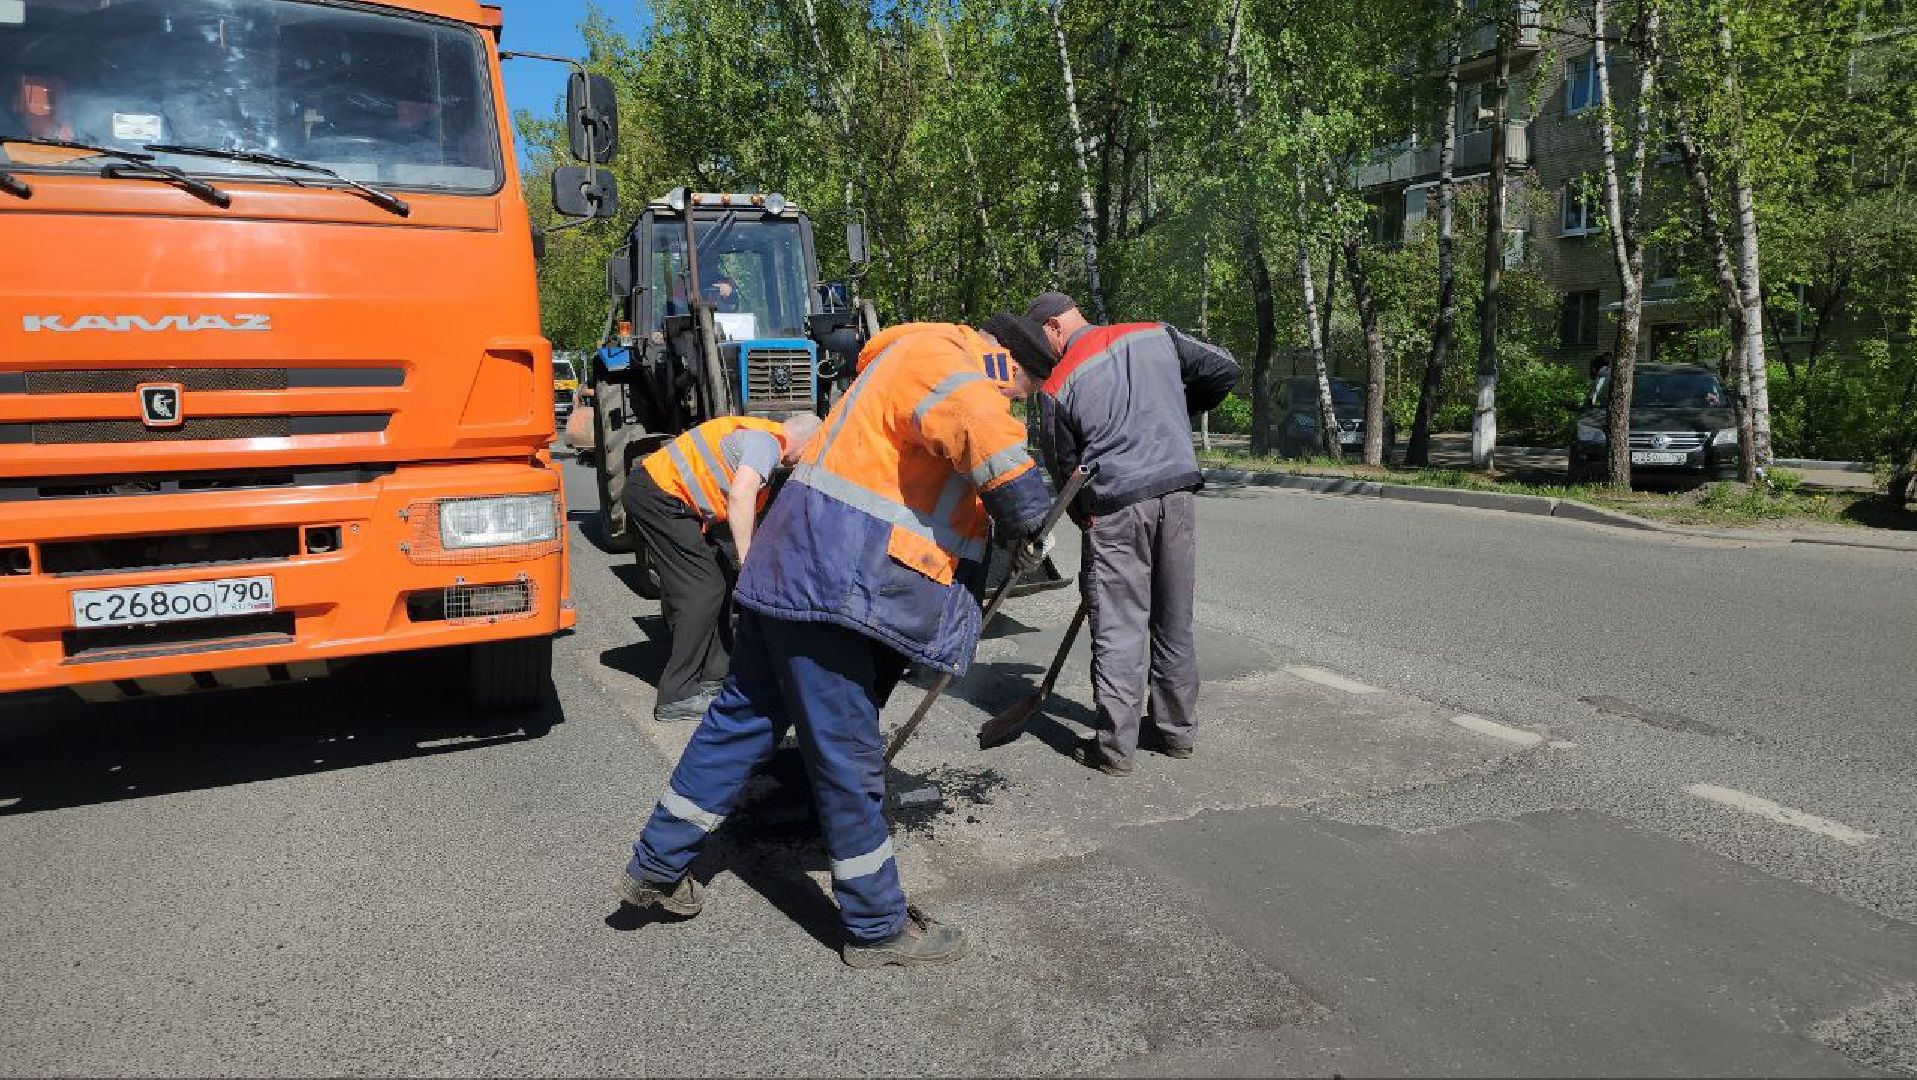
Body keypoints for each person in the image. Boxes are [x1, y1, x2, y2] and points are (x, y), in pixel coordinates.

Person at [615, 321, 1053, 968]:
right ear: (1009, 360)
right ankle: (876, 926)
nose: (1020, 399)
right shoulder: (954, 365)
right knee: (846, 756)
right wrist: (1026, 513)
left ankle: (654, 868)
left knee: (737, 724)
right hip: (837, 584)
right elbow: (985, 436)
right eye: (1026, 387)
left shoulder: (903, 356)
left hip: (794, 568)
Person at [1013, 291, 1241, 776]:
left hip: (1116, 507)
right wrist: (1174, 411)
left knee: (1118, 626)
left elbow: (1063, 465)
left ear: (1055, 326)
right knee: (1174, 616)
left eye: (1042, 338)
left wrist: (1085, 521)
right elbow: (1224, 369)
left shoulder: (1059, 382)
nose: (1044, 350)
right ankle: (1177, 731)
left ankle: (1115, 748)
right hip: (1176, 495)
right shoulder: (1156, 335)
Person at [622, 412, 822, 722]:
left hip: (668, 501)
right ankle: (677, 693)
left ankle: (714, 674)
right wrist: (749, 563)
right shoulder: (767, 445)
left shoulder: (762, 439)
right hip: (657, 497)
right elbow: (740, 497)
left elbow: (744, 509)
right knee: (701, 592)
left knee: (718, 577)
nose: (805, 462)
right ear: (806, 443)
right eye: (812, 453)